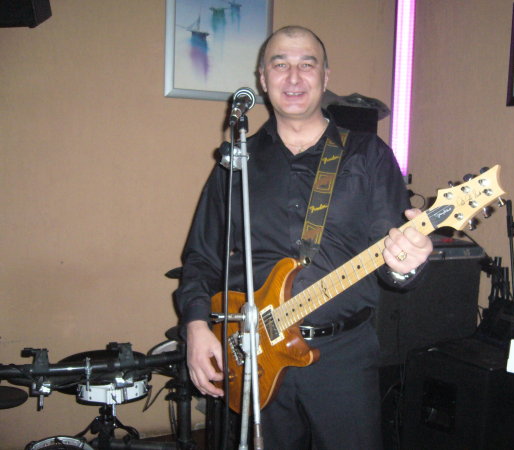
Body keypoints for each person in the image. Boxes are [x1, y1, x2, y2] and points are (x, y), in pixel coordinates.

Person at [176, 25, 433, 449]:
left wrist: (408, 263)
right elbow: (202, 258)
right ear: (263, 79)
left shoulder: (368, 155)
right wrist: (196, 326)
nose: (293, 78)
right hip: (253, 353)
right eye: (280, 65)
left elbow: (395, 268)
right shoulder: (236, 163)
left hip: (342, 356)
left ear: (325, 76)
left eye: (306, 65)